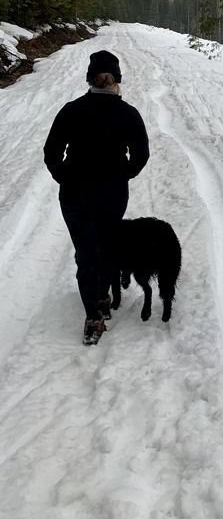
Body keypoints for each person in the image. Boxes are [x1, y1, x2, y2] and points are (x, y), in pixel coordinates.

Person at [43, 49, 150, 345]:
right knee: (104, 246)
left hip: (75, 195)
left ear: (89, 80)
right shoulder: (128, 113)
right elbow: (141, 155)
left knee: (86, 252)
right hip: (112, 194)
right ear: (117, 81)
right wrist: (122, 174)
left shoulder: (71, 110)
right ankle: (103, 298)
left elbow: (51, 153)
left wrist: (64, 176)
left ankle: (94, 314)